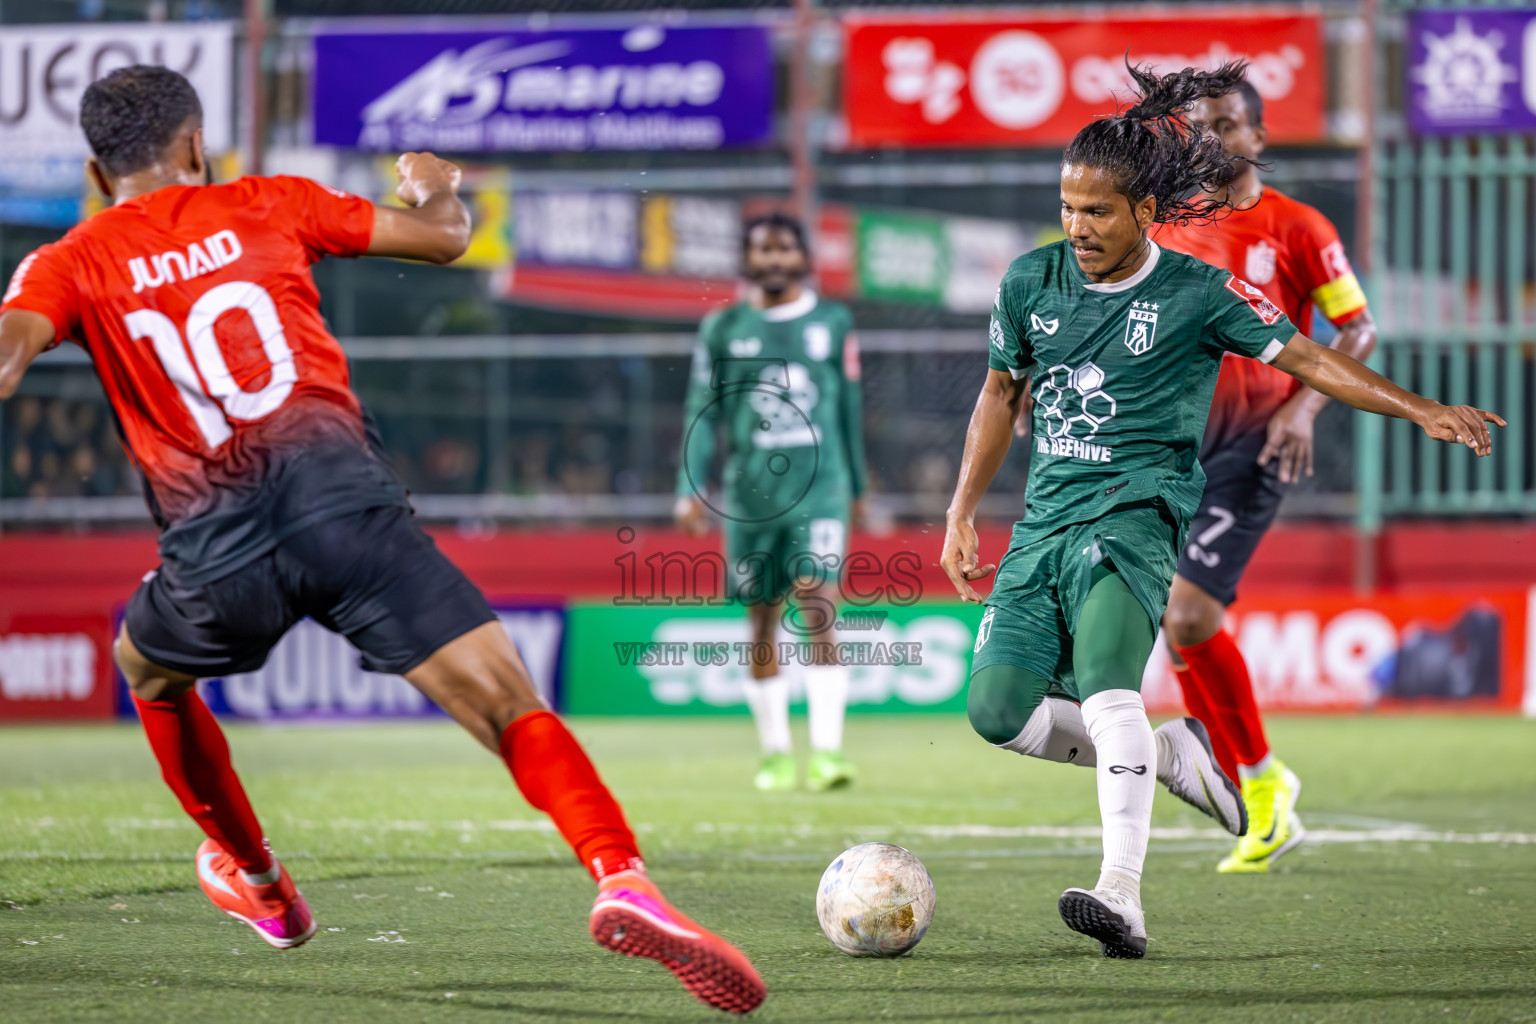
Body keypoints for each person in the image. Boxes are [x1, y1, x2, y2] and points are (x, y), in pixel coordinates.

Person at [0, 66, 764, 1016]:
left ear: (92, 168)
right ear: (196, 147)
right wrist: (435, 183)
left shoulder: (66, 262)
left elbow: (4, 359)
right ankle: (620, 876)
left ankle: (258, 880)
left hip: (215, 547)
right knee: (504, 700)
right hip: (343, 506)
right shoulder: (270, 202)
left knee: (146, 670)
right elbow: (447, 237)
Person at [941, 61, 1499, 960]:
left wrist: (1421, 407)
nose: (1078, 228)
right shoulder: (1029, 282)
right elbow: (1000, 393)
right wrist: (964, 510)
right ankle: (1167, 757)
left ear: (1146, 214)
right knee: (997, 712)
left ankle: (1120, 892)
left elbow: (1314, 359)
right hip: (1043, 522)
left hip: (1136, 516)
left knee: (1113, 681)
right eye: (1068, 207)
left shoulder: (1200, 294)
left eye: (1099, 212)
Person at [1150, 72, 1377, 874]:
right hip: (1175, 449)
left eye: (1226, 124)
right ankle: (1244, 775)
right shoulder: (1168, 226)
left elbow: (1358, 327)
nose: (1209, 138)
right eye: (1197, 126)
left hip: (1256, 444)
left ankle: (1261, 781)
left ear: (1256, 138)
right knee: (1179, 632)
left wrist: (1302, 410)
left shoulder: (1299, 226)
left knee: (1185, 617)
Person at [674, 213, 867, 792]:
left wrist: (857, 485)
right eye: (764, 249)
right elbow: (699, 414)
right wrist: (690, 487)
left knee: (817, 604)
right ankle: (776, 752)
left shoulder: (833, 322)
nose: (775, 259)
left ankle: (828, 753)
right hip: (751, 495)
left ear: (803, 256)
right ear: (748, 258)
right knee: (761, 618)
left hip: (822, 487)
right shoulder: (723, 327)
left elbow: (849, 412)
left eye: (785, 248)